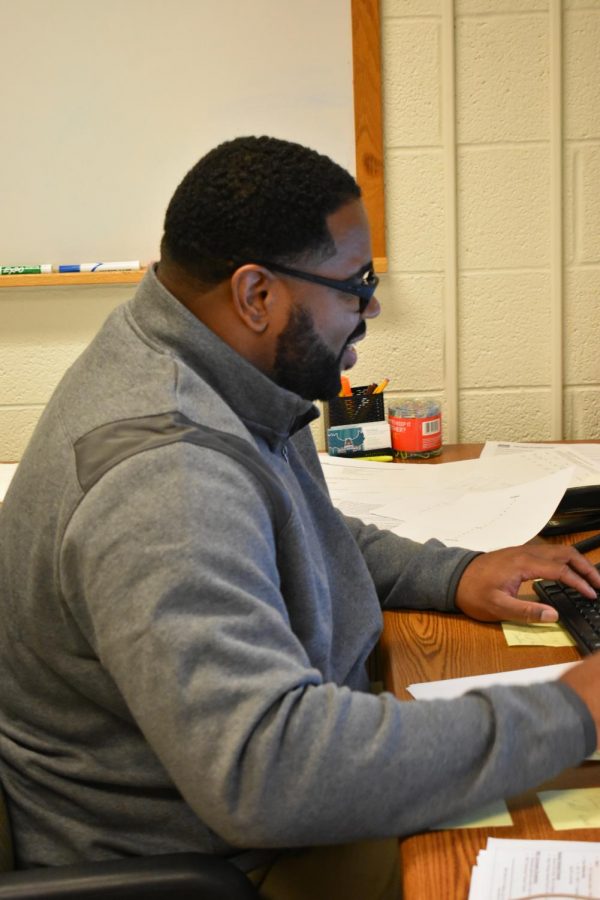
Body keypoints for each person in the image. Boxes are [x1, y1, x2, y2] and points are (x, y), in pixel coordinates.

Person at [1, 135, 600, 900]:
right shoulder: (168, 483)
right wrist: (572, 710)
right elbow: (268, 772)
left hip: (243, 806)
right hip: (217, 863)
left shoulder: (199, 363)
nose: (372, 307)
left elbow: (287, 532)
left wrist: (454, 572)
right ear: (257, 294)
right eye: (355, 283)